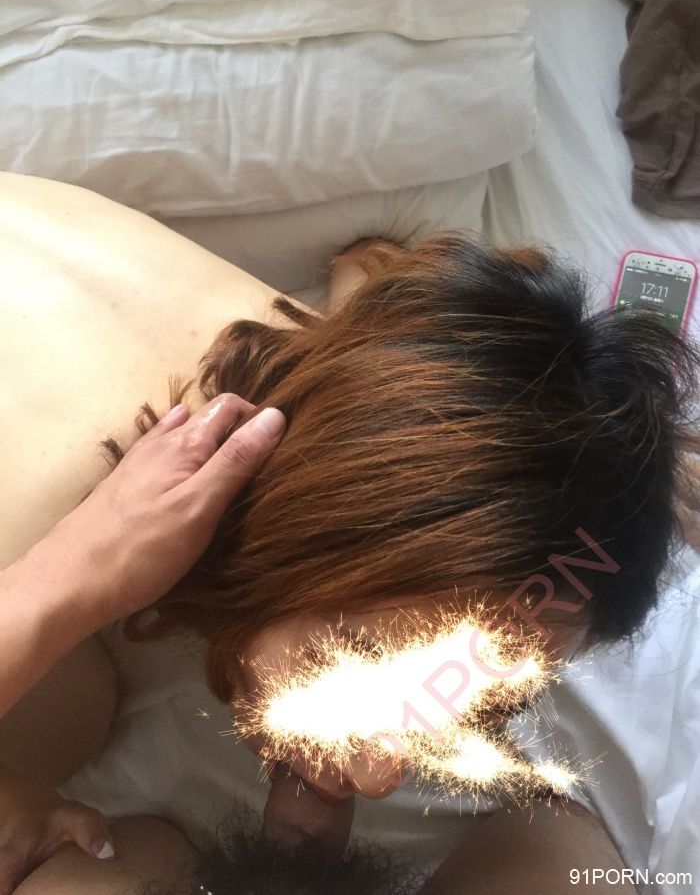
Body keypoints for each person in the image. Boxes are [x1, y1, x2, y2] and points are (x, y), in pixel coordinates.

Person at [2, 173, 698, 893]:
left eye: (488, 705)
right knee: (66, 719)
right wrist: (61, 579)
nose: (378, 777)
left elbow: (378, 274)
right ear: (300, 532)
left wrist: (623, 475)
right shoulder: (48, 504)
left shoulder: (329, 387)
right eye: (358, 664)